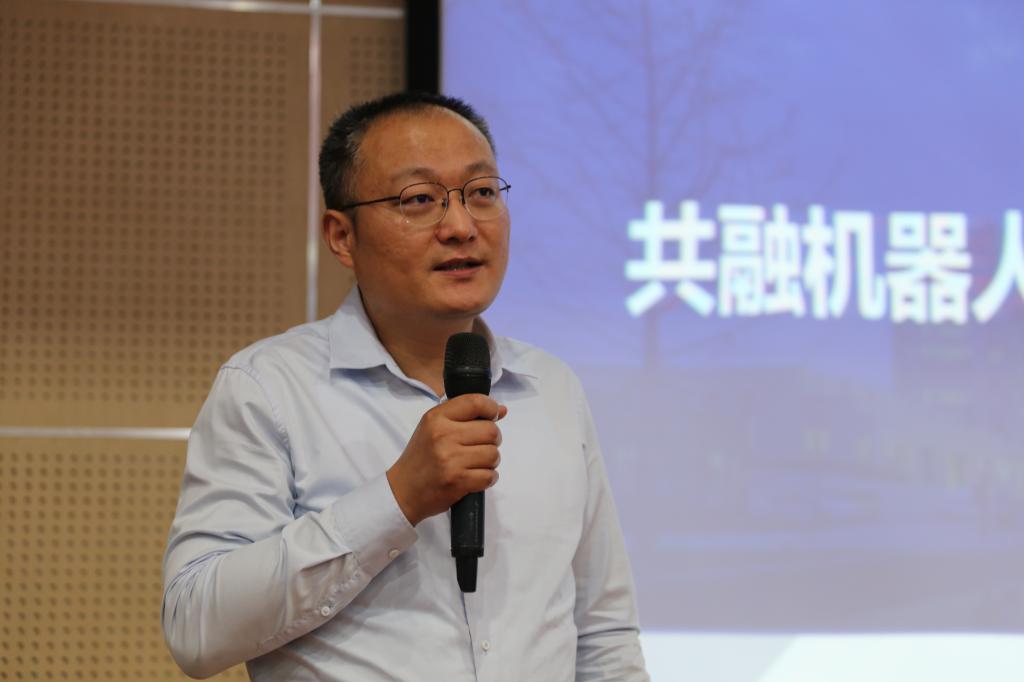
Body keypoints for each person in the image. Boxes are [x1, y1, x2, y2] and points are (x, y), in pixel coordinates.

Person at [162, 91, 649, 681]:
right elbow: (196, 626)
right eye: (419, 200)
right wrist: (397, 499)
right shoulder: (268, 389)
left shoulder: (551, 388)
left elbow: (603, 633)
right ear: (342, 236)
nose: (462, 227)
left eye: (482, 193)